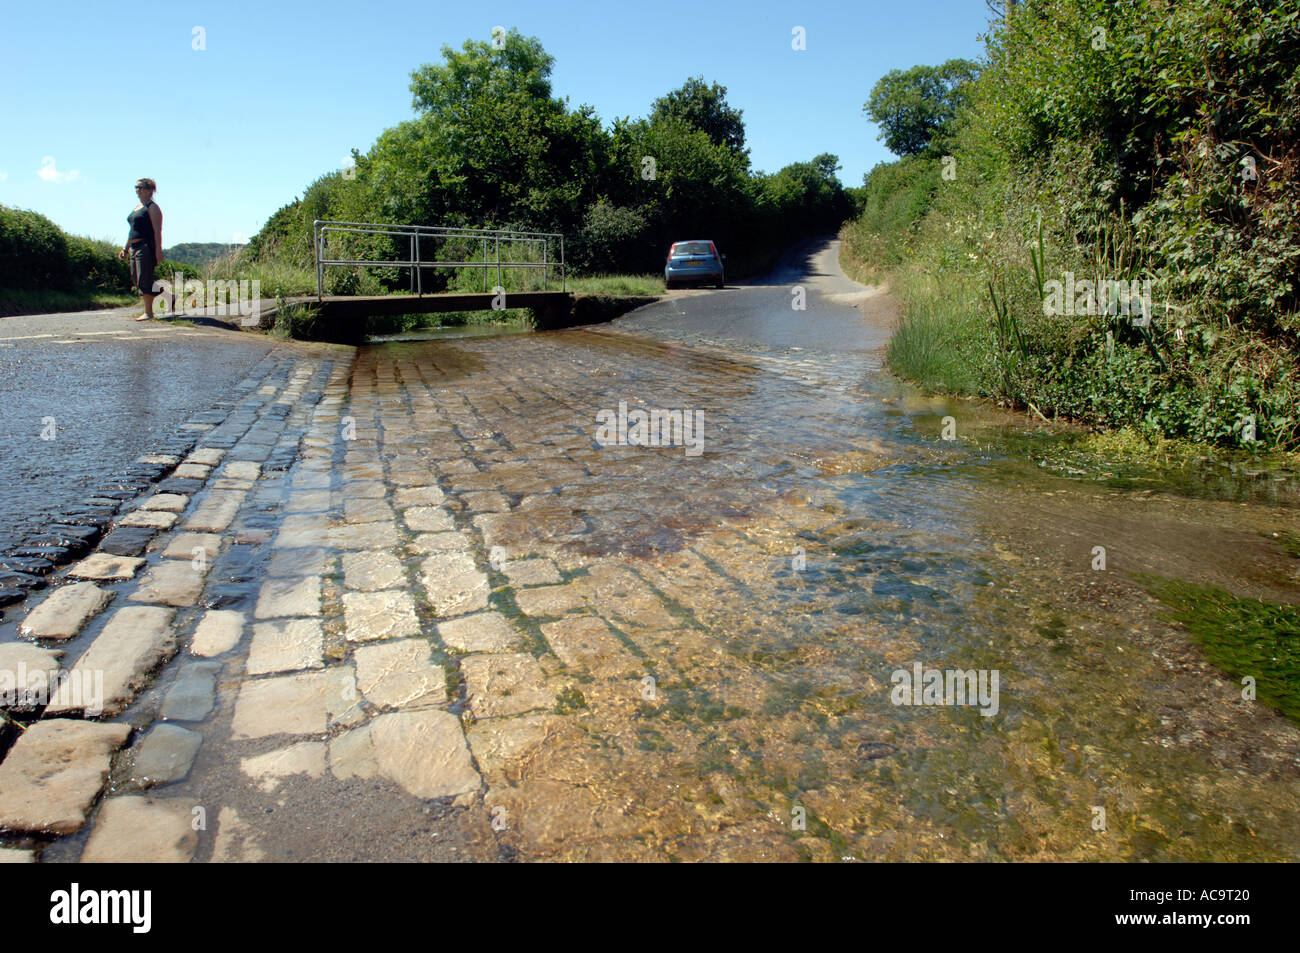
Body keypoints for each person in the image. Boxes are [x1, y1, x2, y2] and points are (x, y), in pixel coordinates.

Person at [118, 178, 165, 321]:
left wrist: (158, 250)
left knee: (144, 278)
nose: (137, 190)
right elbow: (132, 231)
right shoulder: (137, 208)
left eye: (141, 187)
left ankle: (149, 313)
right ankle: (169, 297)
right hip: (133, 247)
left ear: (150, 190)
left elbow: (157, 231)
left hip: (146, 246)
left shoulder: (152, 207)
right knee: (136, 278)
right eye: (136, 187)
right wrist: (125, 249)